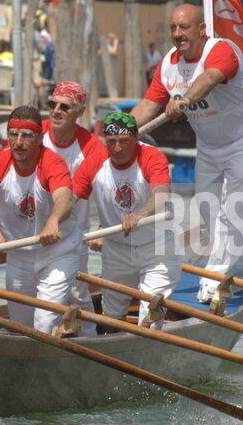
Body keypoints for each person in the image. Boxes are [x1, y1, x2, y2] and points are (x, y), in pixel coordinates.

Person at [130, 3, 243, 302]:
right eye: (173, 28)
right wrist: (119, 128)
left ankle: (215, 278)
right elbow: (148, 106)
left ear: (202, 29)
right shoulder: (168, 64)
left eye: (184, 27)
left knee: (232, 209)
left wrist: (184, 99)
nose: (177, 34)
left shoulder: (222, 50)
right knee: (208, 209)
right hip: (209, 144)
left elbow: (208, 79)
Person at [0, 106, 78, 333]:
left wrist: (53, 220)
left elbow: (64, 197)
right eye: (13, 134)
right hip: (18, 255)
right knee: (21, 329)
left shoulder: (52, 162)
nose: (18, 142)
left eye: (27, 135)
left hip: (57, 252)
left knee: (45, 326)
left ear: (40, 137)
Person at [73, 112, 178, 329]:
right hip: (116, 249)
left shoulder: (151, 156)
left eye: (124, 141)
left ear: (136, 137)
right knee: (111, 316)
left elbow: (161, 191)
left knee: (151, 315)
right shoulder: (94, 162)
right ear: (105, 141)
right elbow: (70, 198)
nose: (118, 148)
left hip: (156, 249)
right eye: (111, 142)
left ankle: (148, 342)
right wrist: (52, 220)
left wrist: (139, 215)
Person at [42, 81, 106, 303]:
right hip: (33, 233)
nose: (56, 111)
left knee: (77, 294)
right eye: (52, 104)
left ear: (80, 112)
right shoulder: (33, 135)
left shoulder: (93, 148)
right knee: (29, 296)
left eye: (64, 107)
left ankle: (86, 332)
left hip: (74, 235)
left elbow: (108, 191)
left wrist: (104, 228)